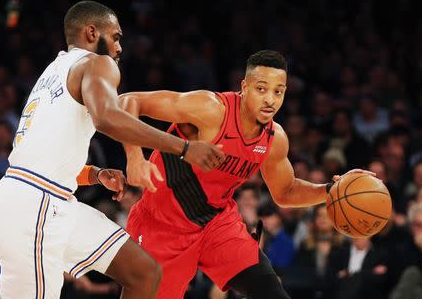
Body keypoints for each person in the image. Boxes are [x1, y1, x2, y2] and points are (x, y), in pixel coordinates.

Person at [0, 0, 224, 299]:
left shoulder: (54, 71)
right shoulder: (97, 62)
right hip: (35, 207)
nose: (120, 47)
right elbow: (108, 117)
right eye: (116, 37)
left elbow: (40, 159)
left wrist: (94, 175)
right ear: (92, 32)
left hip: (43, 199)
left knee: (143, 272)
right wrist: (184, 148)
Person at [118, 50, 374, 299]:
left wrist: (330, 190)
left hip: (217, 225)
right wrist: (134, 158)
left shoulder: (275, 139)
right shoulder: (210, 109)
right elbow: (129, 101)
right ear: (245, 86)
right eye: (261, 89)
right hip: (162, 226)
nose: (270, 100)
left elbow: (285, 192)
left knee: (270, 291)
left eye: (278, 91)